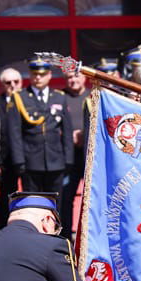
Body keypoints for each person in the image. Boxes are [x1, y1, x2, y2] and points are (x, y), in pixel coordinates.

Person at [8, 56, 73, 199]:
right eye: (35, 74)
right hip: (30, 160)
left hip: (56, 160)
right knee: (33, 202)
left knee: (55, 203)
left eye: (42, 74)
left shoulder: (59, 97)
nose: (38, 78)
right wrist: (19, 160)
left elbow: (67, 131)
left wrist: (68, 158)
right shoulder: (20, 97)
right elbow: (15, 132)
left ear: (49, 75)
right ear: (30, 75)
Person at [60, 67, 90, 238]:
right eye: (69, 77)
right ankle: (65, 236)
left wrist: (83, 135)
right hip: (68, 157)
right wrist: (66, 136)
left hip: (88, 156)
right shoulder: (60, 97)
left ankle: (87, 236)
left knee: (91, 199)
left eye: (76, 76)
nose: (73, 80)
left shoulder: (92, 96)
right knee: (66, 198)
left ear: (84, 78)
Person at [0, 68, 23, 227]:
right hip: (5, 160)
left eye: (16, 82)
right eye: (8, 82)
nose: (12, 85)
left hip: (26, 158)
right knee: (6, 196)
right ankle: (4, 229)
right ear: (2, 85)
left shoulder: (28, 100)